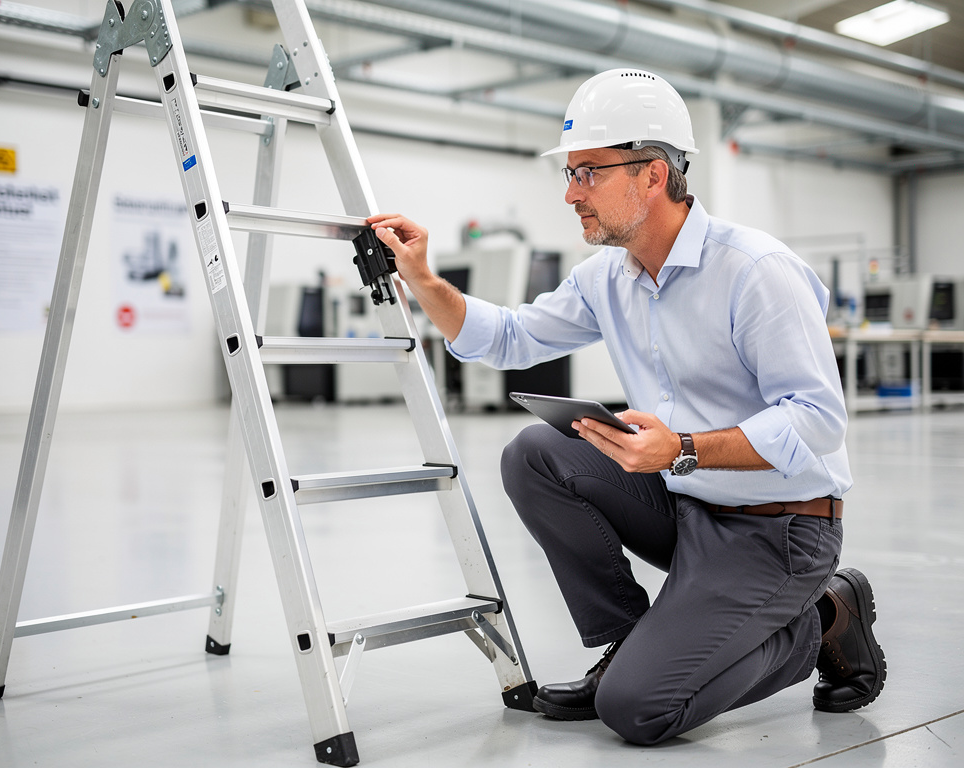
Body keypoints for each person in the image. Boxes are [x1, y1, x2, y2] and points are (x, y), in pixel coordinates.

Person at [368, 68, 885, 746]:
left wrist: (683, 447)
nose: (569, 193)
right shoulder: (608, 277)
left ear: (652, 174)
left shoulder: (755, 271)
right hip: (686, 505)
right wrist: (425, 279)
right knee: (536, 454)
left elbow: (816, 421)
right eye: (570, 174)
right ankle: (627, 641)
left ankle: (824, 617)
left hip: (780, 531)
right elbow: (508, 336)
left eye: (587, 172)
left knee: (638, 710)